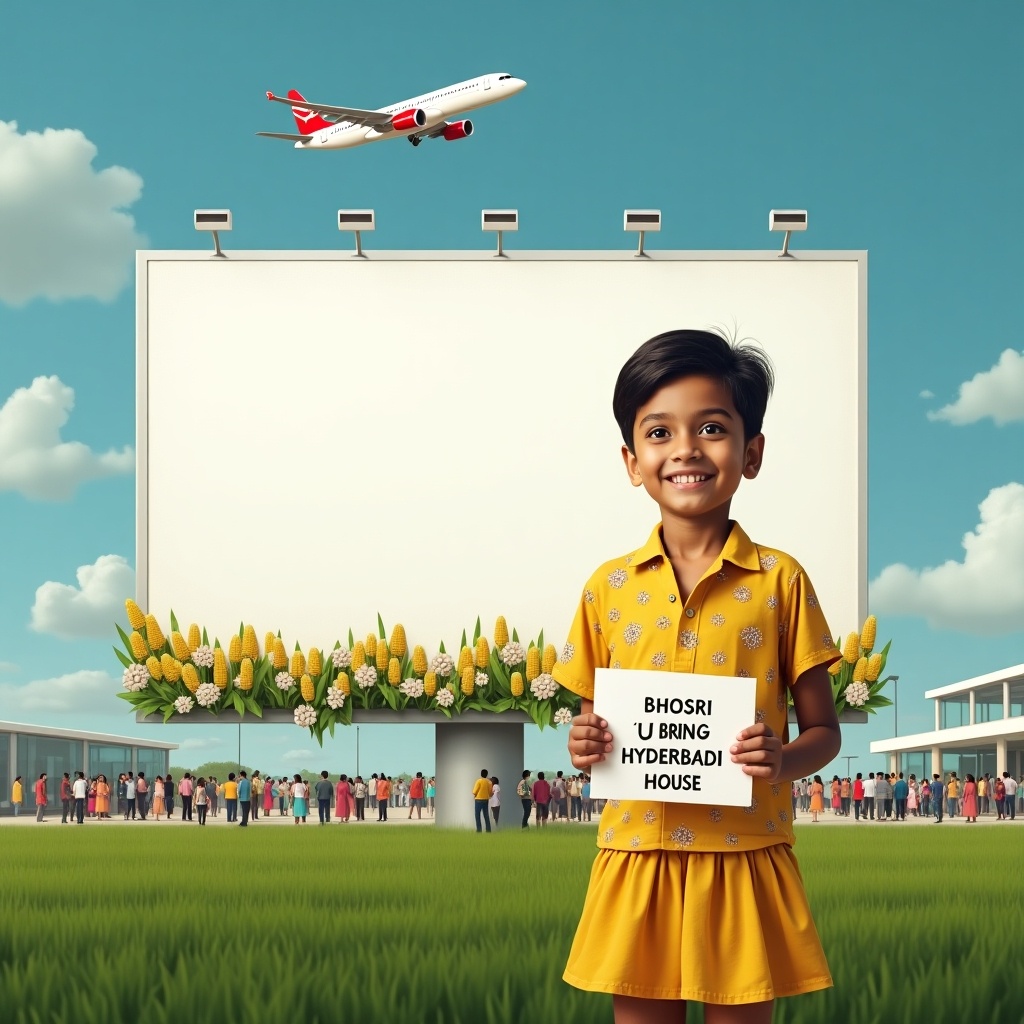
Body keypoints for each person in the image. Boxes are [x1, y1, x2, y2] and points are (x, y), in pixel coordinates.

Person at [559, 330, 843, 1017]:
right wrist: (584, 743)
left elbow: (824, 732)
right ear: (632, 461)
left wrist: (780, 761)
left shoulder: (782, 581)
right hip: (640, 852)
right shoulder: (608, 588)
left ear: (751, 453)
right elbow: (591, 726)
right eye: (660, 432)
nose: (686, 449)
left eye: (712, 428)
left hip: (743, 853)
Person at [472, 768, 492, 833]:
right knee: (486, 815)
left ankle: (479, 830)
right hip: (486, 799)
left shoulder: (478, 781)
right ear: (487, 774)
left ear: (481, 774)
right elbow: (490, 793)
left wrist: (474, 794)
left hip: (478, 799)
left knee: (477, 815)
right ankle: (488, 830)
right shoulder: (489, 782)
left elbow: (474, 791)